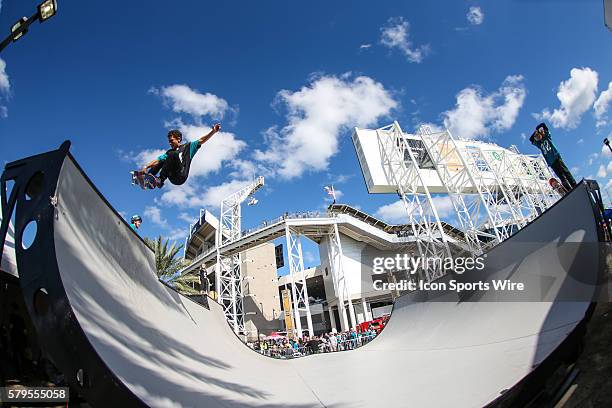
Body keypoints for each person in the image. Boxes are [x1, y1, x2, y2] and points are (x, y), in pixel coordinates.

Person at [141, 123, 221, 187]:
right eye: (169, 141)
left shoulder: (188, 146)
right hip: (172, 176)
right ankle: (148, 177)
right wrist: (146, 167)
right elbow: (157, 160)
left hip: (181, 176)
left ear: (178, 139)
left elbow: (202, 140)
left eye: (171, 140)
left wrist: (213, 132)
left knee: (172, 154)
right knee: (163, 159)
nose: (170, 143)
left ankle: (160, 180)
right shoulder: (169, 152)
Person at [530, 123, 576, 191]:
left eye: (538, 135)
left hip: (556, 157)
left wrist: (537, 129)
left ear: (541, 134)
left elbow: (543, 125)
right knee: (561, 176)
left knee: (565, 171)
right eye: (536, 137)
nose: (537, 137)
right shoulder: (539, 144)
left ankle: (574, 184)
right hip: (551, 162)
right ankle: (568, 189)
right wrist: (535, 133)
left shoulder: (546, 137)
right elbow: (530, 139)